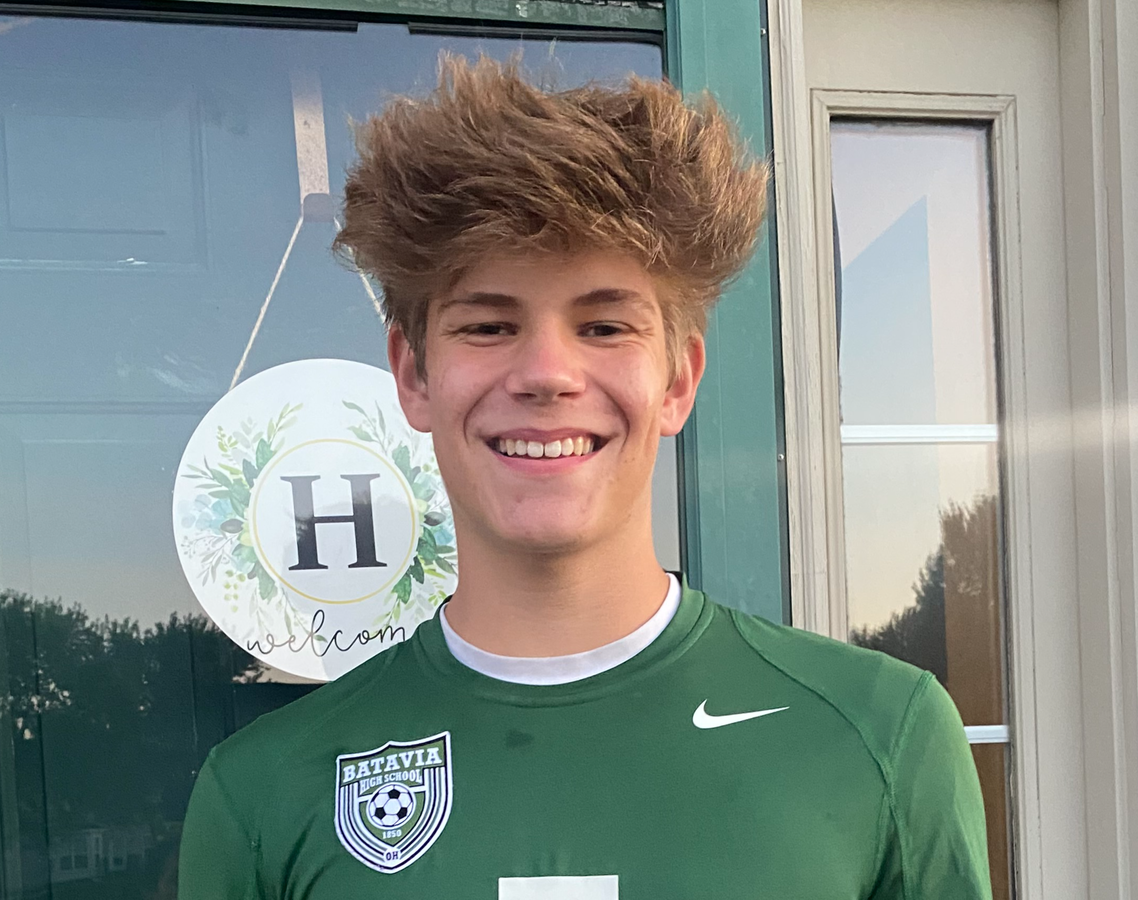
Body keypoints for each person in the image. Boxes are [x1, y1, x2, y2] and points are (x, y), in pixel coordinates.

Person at [178, 54, 991, 899]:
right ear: (414, 375)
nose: (546, 373)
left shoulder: (879, 736)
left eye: (604, 327)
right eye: (489, 326)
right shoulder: (263, 792)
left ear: (678, 380)